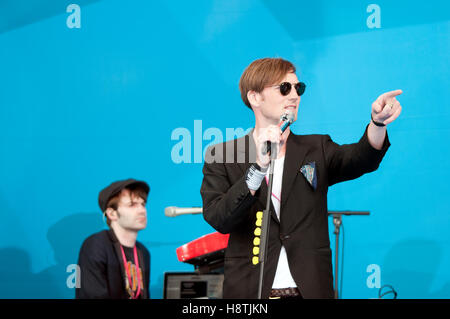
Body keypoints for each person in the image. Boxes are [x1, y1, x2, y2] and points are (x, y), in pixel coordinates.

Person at [200, 57, 402, 299]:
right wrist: (259, 166)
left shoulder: (316, 148)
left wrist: (377, 123)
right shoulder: (223, 155)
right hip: (250, 291)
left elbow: (361, 158)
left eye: (299, 88)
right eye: (284, 88)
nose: (295, 96)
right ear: (255, 98)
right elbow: (218, 218)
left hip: (309, 289)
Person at [76, 178, 151, 299]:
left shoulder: (143, 252)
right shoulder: (96, 245)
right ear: (112, 213)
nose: (142, 210)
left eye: (143, 204)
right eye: (132, 205)